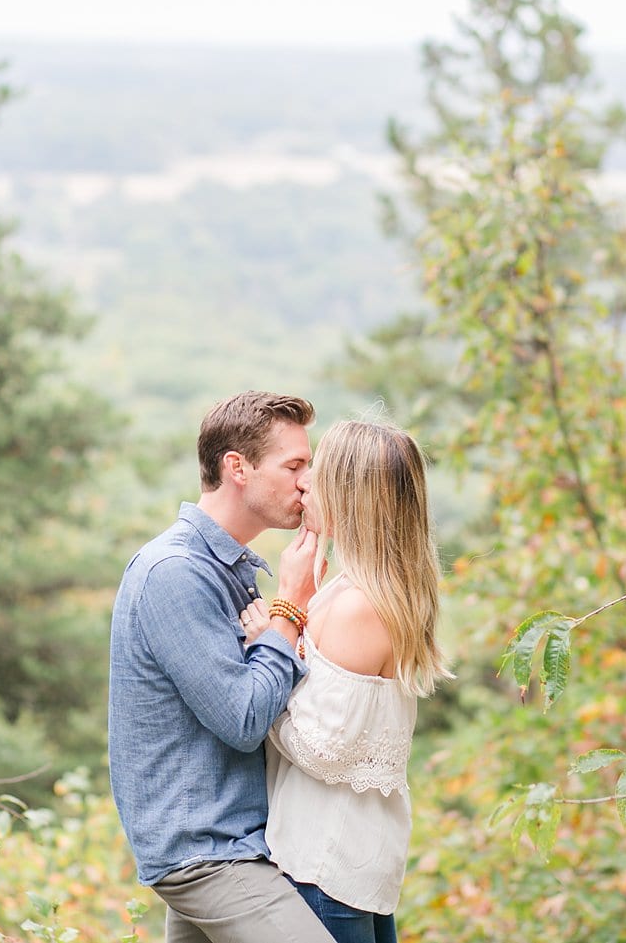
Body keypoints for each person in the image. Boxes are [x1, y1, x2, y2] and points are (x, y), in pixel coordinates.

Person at [108, 390, 336, 943]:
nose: (307, 481)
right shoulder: (176, 572)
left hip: (226, 841)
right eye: (294, 465)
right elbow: (242, 719)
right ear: (237, 467)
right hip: (208, 854)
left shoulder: (226, 567)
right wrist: (289, 608)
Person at [253, 419, 453, 943]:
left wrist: (273, 633)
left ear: (347, 495)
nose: (303, 484)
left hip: (325, 860)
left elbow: (321, 749)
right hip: (349, 857)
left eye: (316, 475)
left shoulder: (358, 605)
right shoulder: (359, 588)